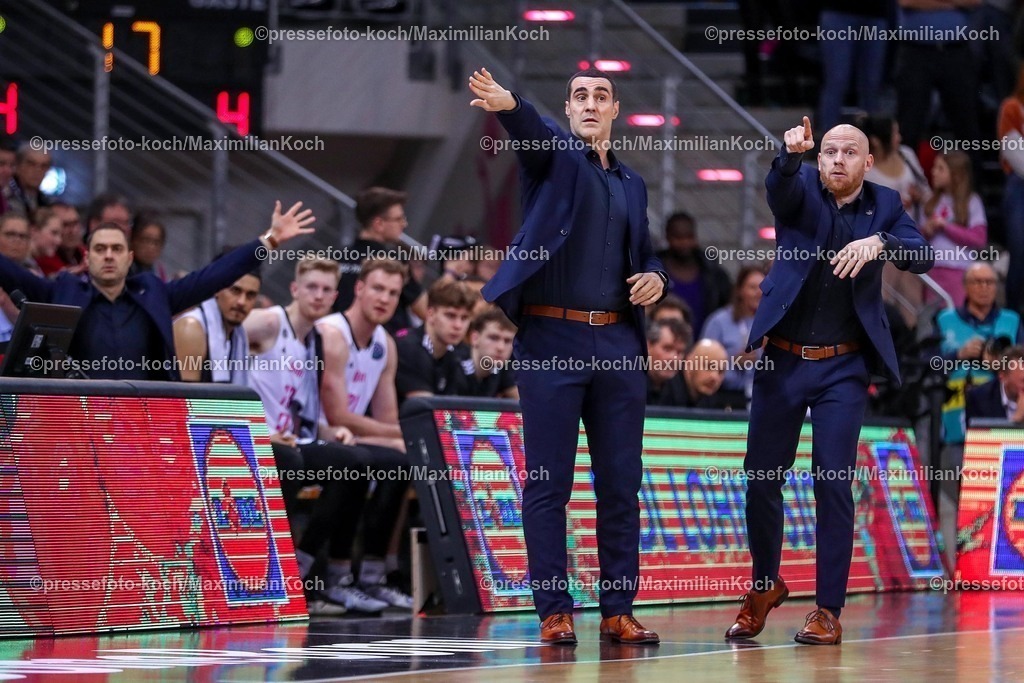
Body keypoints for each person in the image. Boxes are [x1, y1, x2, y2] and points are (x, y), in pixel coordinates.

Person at [470, 66, 666, 645]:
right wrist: (512, 105)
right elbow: (536, 132)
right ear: (569, 106)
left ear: (615, 110)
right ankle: (554, 608)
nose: (588, 104)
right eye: (579, 95)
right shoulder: (552, 161)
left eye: (599, 97)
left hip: (620, 343)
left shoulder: (633, 184)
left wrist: (654, 277)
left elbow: (647, 254)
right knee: (549, 483)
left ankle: (617, 609)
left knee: (621, 483)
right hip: (551, 341)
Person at [725, 116, 933, 646]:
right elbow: (778, 188)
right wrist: (790, 156)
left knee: (832, 482)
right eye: (830, 151)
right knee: (762, 479)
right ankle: (765, 585)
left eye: (849, 152)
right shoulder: (800, 193)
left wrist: (879, 243)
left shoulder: (885, 206)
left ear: (868, 162)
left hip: (844, 366)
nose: (837, 160)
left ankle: (827, 609)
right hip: (783, 361)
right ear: (820, 160)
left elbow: (923, 254)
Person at [243, 258, 408, 614]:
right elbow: (224, 331)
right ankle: (282, 576)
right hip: (261, 438)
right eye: (311, 287)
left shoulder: (313, 338)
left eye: (325, 289)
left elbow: (308, 411)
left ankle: (326, 575)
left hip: (297, 435)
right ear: (294, 288)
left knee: (372, 461)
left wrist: (332, 432)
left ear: (335, 294)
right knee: (343, 461)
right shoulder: (277, 323)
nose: (318, 296)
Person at [0, 201, 314, 380]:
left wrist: (270, 240)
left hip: (143, 421)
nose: (108, 255)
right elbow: (9, 272)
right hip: (79, 422)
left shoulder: (153, 292)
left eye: (116, 249)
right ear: (87, 257)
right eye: (100, 249)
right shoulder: (64, 291)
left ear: (129, 257)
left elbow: (216, 275)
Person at [316, 258, 415, 609]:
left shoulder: (385, 344)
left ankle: (373, 576)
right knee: (366, 460)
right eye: (377, 288)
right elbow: (337, 414)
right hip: (319, 432)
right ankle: (333, 575)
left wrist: (402, 438)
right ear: (359, 289)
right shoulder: (332, 333)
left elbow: (386, 416)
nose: (384, 299)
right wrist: (397, 432)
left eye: (393, 293)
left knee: (407, 459)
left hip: (351, 437)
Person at [935, 262, 1023, 445]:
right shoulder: (945, 319)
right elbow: (927, 365)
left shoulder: (1011, 320)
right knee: (954, 470)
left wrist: (998, 364)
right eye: (977, 282)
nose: (984, 287)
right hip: (953, 410)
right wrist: (958, 355)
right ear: (965, 286)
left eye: (989, 282)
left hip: (1001, 412)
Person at [334, 187, 427, 332]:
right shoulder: (393, 263)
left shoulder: (337, 258)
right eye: (398, 219)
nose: (403, 224)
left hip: (340, 334)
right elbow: (425, 311)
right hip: (384, 344)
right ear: (379, 224)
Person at [173, 264, 261, 384]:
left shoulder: (238, 336)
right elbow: (187, 399)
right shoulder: (191, 327)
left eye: (250, 295)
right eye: (235, 291)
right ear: (217, 289)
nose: (242, 302)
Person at [920, 152, 987, 306]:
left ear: (956, 175)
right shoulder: (929, 201)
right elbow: (916, 239)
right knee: (933, 320)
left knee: (957, 315)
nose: (933, 172)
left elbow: (979, 239)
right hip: (932, 270)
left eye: (940, 168)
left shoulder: (972, 201)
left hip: (959, 271)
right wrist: (926, 231)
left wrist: (946, 227)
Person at [394, 278, 477, 402]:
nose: (458, 325)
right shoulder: (408, 347)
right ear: (431, 314)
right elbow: (424, 409)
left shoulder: (456, 355)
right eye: (450, 315)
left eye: (464, 318)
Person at [657, 212, 732, 337]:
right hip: (665, 344)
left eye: (689, 237)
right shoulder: (655, 270)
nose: (684, 243)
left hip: (704, 342)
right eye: (678, 237)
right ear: (667, 237)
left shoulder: (712, 271)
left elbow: (725, 307)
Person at [702, 266, 765, 404]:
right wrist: (733, 362)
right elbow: (702, 363)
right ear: (740, 290)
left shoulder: (772, 324)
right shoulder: (718, 321)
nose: (759, 292)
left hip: (763, 397)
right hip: (725, 397)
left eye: (763, 287)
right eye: (753, 287)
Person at [997, 66, 1024, 315]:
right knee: (1020, 253)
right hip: (1019, 188)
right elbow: (1017, 158)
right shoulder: (1012, 108)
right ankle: (1013, 317)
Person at [966, 345, 1024, 424]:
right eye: (1023, 381)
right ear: (1003, 377)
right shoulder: (979, 399)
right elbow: (981, 436)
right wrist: (1017, 420)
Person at [644, 318, 689, 407]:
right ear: (648, 346)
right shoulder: (628, 383)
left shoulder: (681, 390)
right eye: (667, 349)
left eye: (679, 352)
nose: (673, 358)